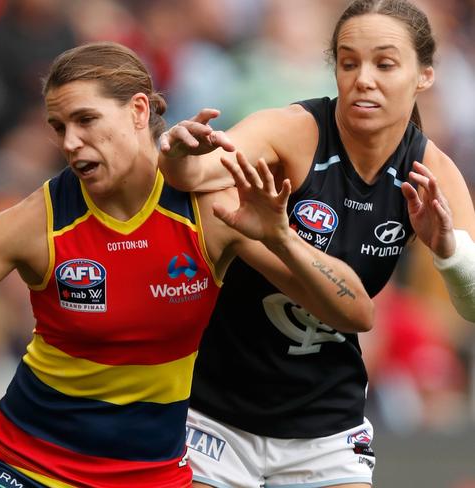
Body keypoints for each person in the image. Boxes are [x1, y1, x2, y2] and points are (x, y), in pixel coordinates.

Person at [0, 42, 373, 488]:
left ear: (140, 111)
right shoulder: (32, 224)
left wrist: (280, 238)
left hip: (153, 473)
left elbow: (355, 312)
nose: (70, 143)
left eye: (86, 120)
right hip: (28, 465)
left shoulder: (212, 209)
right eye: (58, 126)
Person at [158, 1, 475, 487]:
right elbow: (201, 173)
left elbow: (472, 303)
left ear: (424, 76)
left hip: (327, 425)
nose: (363, 79)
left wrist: (448, 253)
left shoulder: (432, 173)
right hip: (218, 414)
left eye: (384, 64)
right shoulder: (295, 131)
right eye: (349, 63)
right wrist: (180, 156)